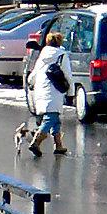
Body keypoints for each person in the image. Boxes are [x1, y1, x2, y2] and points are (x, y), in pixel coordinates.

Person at [25, 29, 70, 157]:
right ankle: (36, 141)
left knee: (55, 119)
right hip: (54, 90)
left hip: (40, 89)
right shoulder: (62, 55)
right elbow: (67, 74)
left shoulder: (43, 55)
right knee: (51, 117)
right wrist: (71, 90)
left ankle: (59, 145)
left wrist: (30, 82)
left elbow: (34, 73)